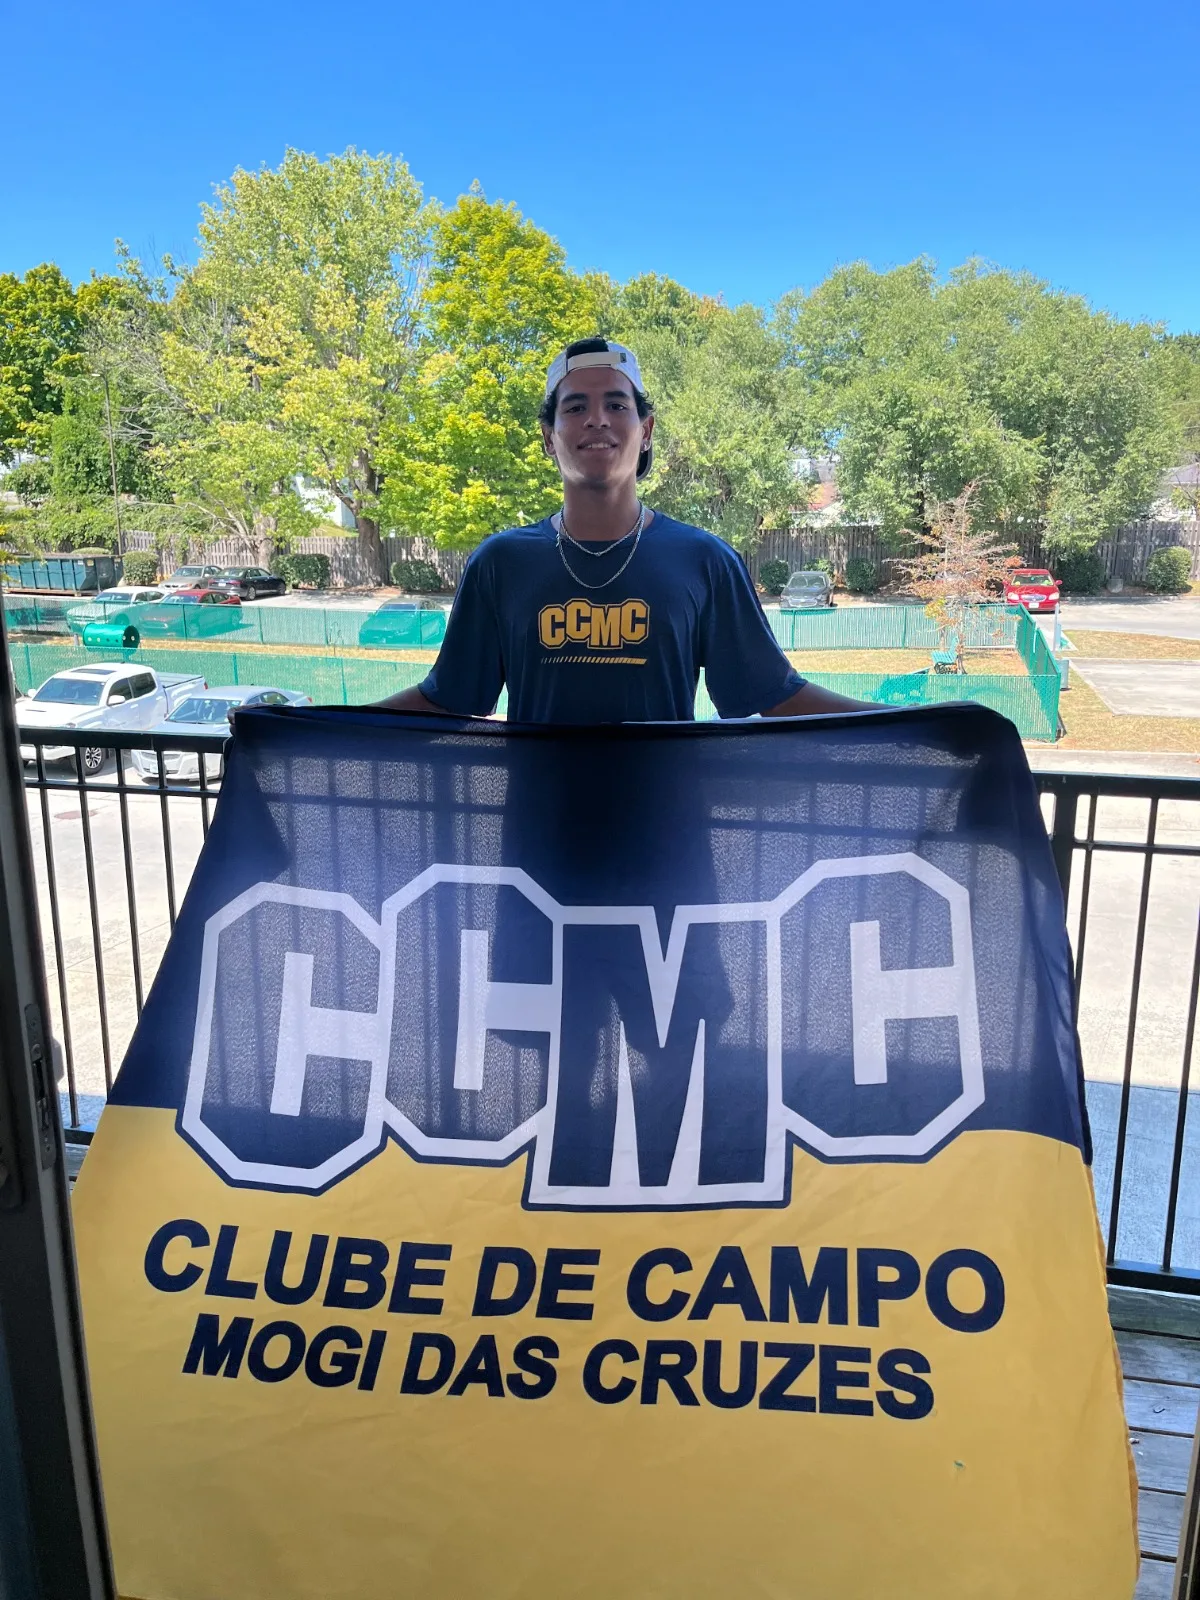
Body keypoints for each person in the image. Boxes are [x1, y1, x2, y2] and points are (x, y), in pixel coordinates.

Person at [380, 337, 872, 723]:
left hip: (667, 820)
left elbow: (778, 698)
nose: (597, 419)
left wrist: (913, 723)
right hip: (537, 820)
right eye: (575, 407)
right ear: (549, 437)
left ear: (646, 431)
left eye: (616, 405)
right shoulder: (500, 563)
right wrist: (329, 725)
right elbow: (447, 700)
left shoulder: (705, 561)